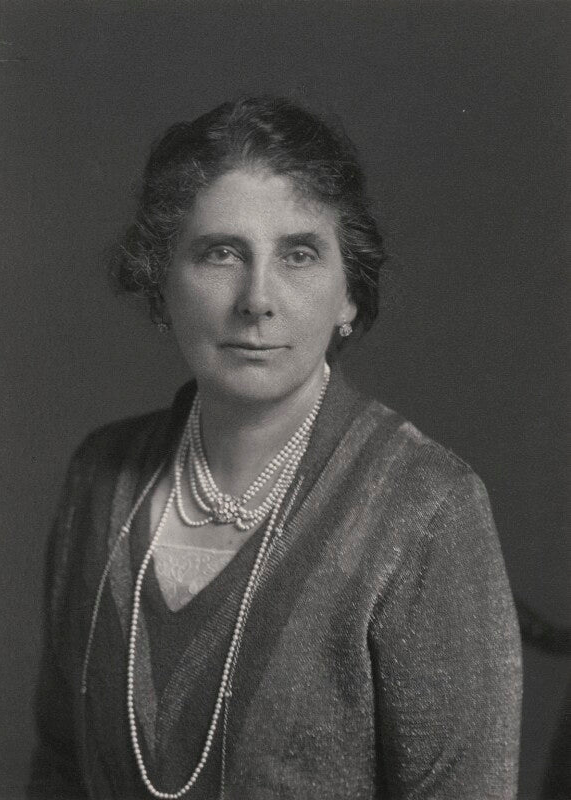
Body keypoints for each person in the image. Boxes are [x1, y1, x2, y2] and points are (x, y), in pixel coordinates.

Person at [28, 96, 522, 800]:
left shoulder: (426, 509)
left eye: (298, 254)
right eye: (221, 253)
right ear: (161, 285)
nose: (256, 299)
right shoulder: (100, 478)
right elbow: (57, 769)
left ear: (349, 296)